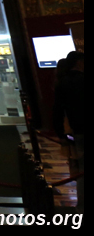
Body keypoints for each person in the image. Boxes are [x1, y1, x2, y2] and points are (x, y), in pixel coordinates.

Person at [53, 51, 85, 213]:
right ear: (79, 62)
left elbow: (57, 111)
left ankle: (82, 207)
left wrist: (61, 134)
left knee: (81, 170)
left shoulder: (63, 83)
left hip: (77, 130)